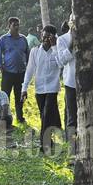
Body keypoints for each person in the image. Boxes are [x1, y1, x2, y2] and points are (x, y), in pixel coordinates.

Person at [21, 25, 61, 154]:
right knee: (44, 116)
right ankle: (49, 140)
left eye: (48, 37)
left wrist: (54, 47)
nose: (45, 39)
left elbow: (61, 64)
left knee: (47, 114)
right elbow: (29, 70)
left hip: (52, 87)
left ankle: (44, 144)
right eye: (43, 36)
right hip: (39, 89)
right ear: (41, 36)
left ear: (54, 37)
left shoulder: (57, 50)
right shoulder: (34, 51)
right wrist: (24, 88)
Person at [0, 17, 29, 124]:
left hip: (21, 73)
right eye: (14, 25)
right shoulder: (3, 39)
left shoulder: (23, 39)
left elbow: (27, 54)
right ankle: (5, 118)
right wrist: (1, 68)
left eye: (18, 25)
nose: (17, 27)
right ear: (9, 26)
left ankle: (20, 117)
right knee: (5, 96)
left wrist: (28, 68)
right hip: (8, 73)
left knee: (20, 96)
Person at [55, 19, 77, 146]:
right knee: (72, 116)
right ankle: (72, 148)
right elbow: (62, 61)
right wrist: (72, 42)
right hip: (71, 82)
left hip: (89, 83)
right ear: (70, 23)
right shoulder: (62, 39)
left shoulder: (89, 36)